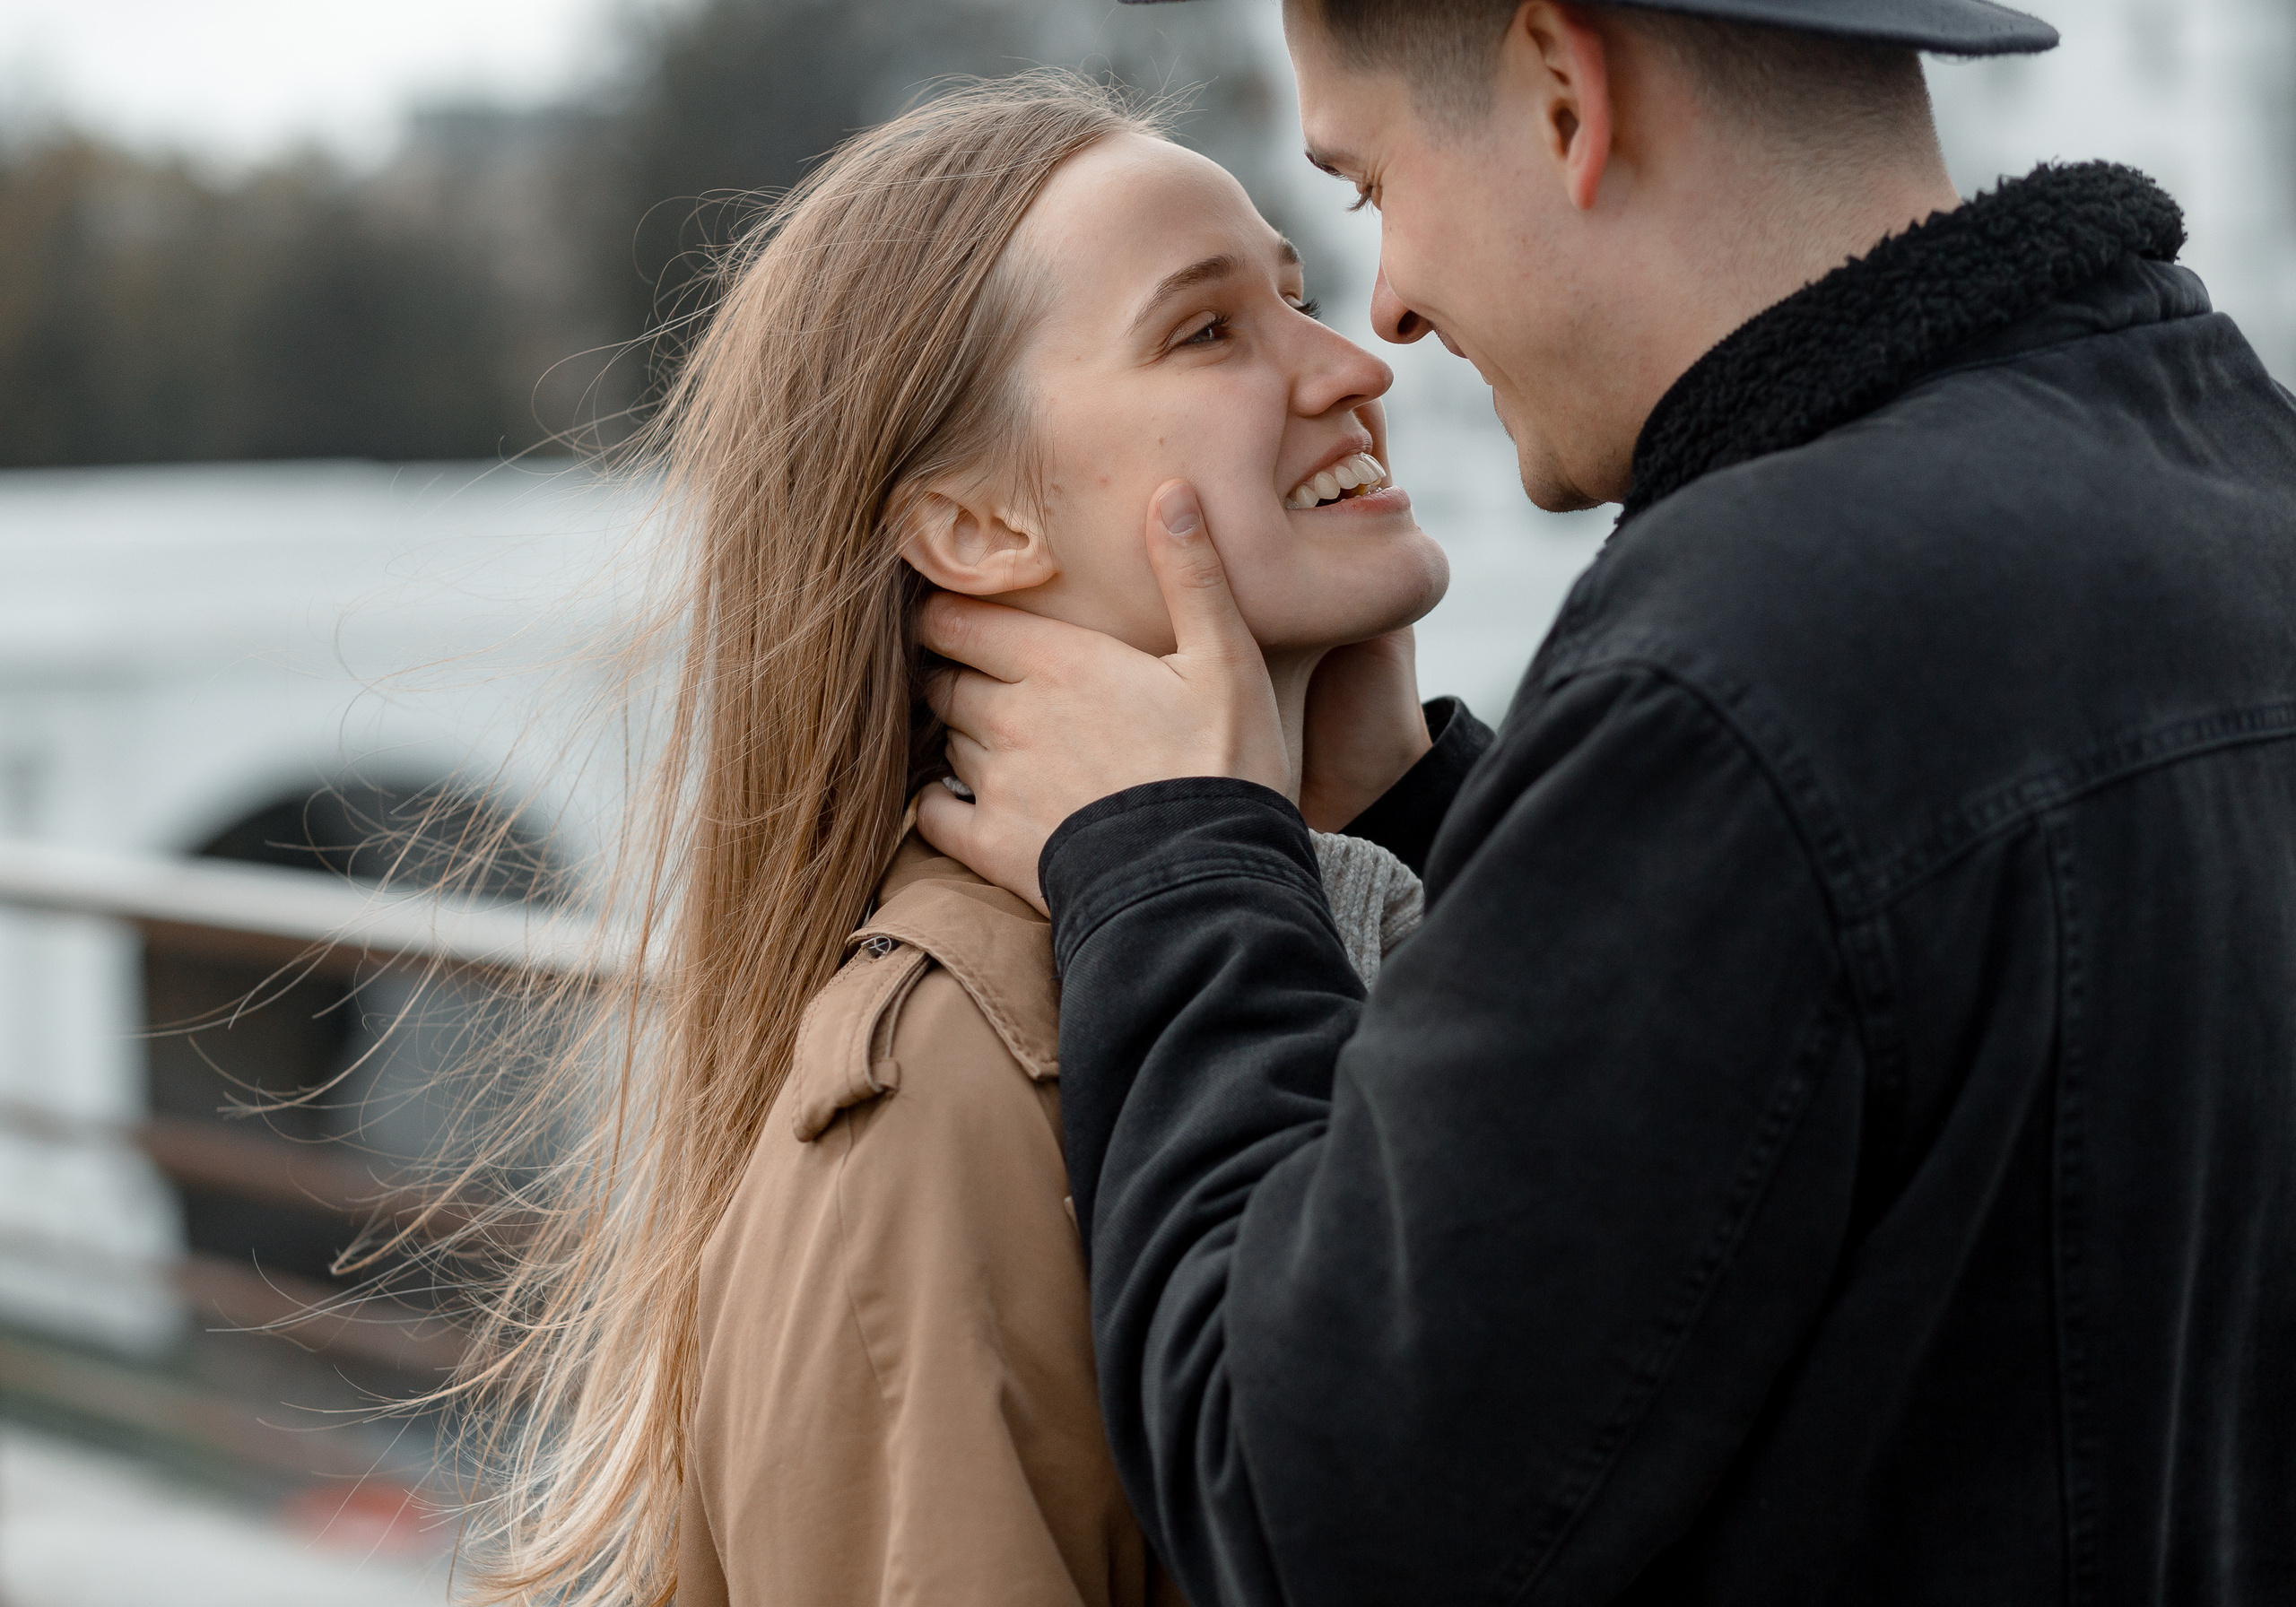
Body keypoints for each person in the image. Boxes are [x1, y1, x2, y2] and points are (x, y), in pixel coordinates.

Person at [916, 4, 2296, 1604]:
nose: (1394, 316)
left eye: (1372, 193)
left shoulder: (1743, 662)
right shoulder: (2236, 488)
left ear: (1567, 94)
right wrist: (1425, 815)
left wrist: (1169, 863)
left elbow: (1306, 1513)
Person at [436, 76, 1448, 1607]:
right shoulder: (947, 1093)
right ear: (975, 531)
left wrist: (1381, 820)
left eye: (1295, 296)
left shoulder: (1359, 922)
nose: (1351, 364)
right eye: (1207, 330)